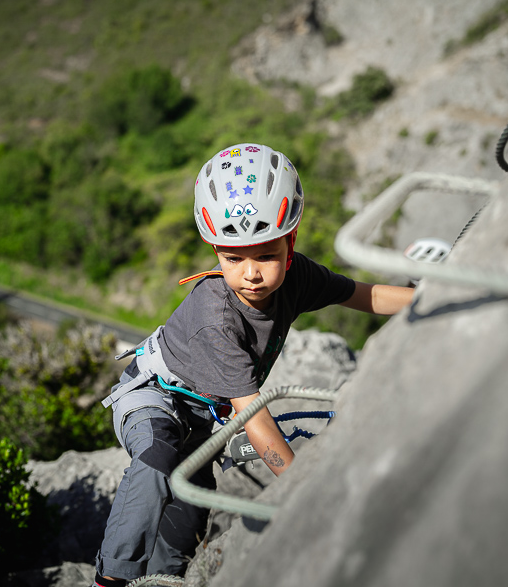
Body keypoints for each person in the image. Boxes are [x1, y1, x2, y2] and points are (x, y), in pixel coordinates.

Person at [93, 143, 415, 586]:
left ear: (290, 242)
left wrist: (431, 297)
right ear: (214, 250)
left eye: (265, 255)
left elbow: (364, 295)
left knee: (189, 515)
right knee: (156, 466)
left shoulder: (298, 277)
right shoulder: (216, 319)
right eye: (232, 258)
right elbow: (256, 420)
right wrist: (303, 493)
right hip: (156, 395)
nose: (251, 274)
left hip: (205, 413)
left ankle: (163, 581)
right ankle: (109, 579)